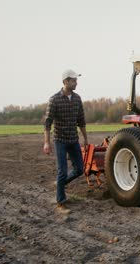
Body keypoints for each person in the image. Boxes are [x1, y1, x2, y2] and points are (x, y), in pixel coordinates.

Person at [43, 69, 88, 214]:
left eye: (76, 80)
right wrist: (46, 142)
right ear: (65, 82)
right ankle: (60, 202)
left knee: (80, 169)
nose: (76, 83)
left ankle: (60, 185)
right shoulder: (54, 100)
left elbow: (81, 121)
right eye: (73, 80)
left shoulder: (77, 99)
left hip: (73, 139)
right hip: (60, 140)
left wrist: (85, 138)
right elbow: (47, 123)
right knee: (62, 171)